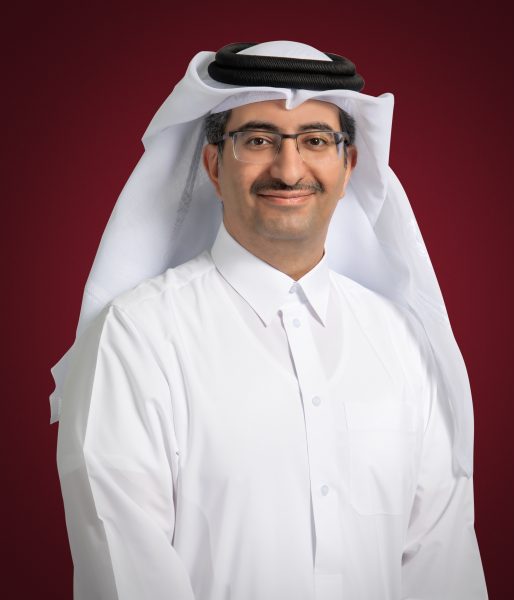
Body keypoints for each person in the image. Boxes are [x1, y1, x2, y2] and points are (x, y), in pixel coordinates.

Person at [54, 41, 488, 599]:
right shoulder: (137, 338)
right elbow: (126, 570)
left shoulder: (403, 343)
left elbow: (441, 566)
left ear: (348, 166)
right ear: (214, 165)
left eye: (316, 140)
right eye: (258, 140)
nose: (288, 169)